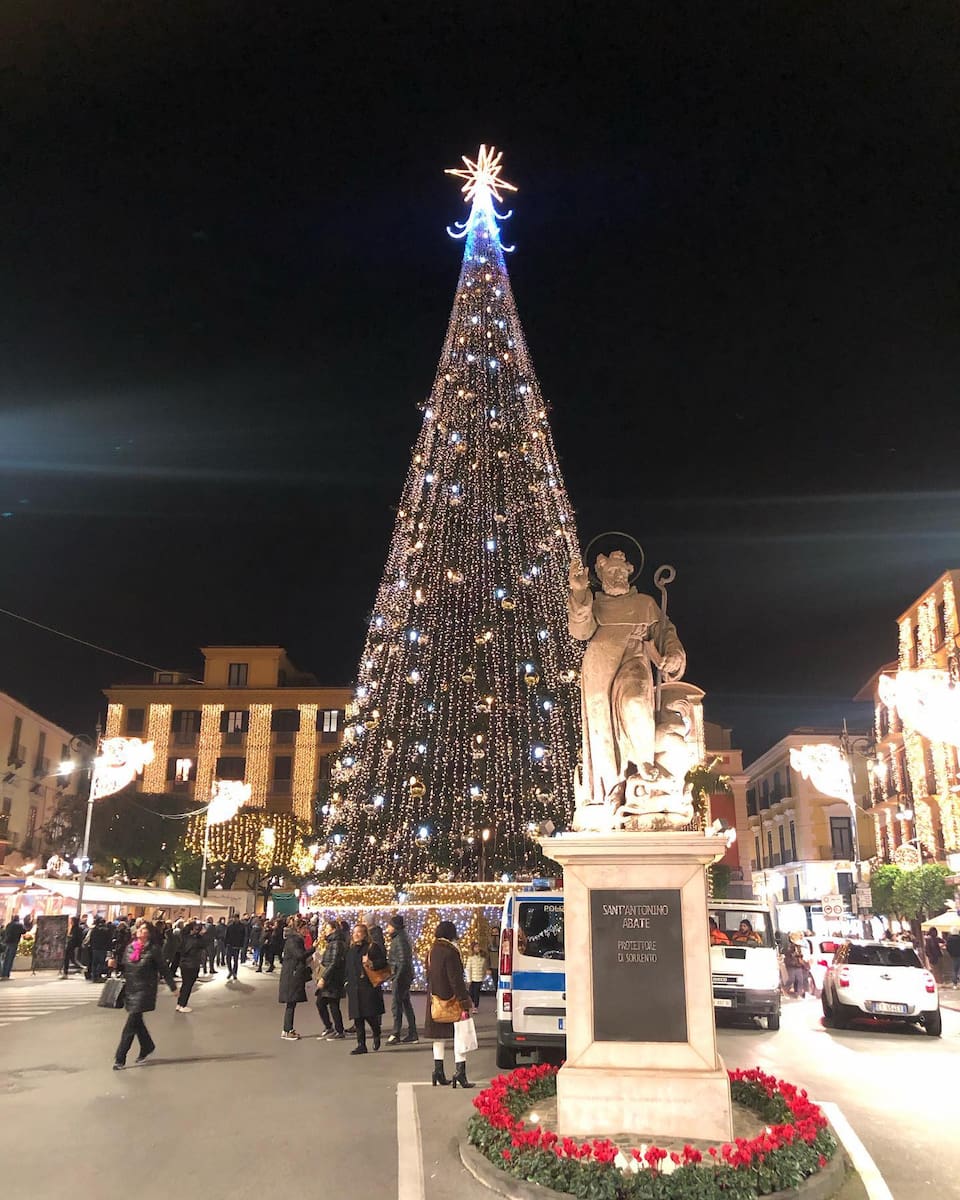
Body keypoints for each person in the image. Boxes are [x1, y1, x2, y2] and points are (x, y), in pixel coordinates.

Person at [568, 549, 685, 806]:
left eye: (622, 571)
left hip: (634, 659)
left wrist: (673, 654)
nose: (618, 575)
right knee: (602, 728)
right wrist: (578, 592)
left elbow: (665, 632)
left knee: (635, 701)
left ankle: (644, 761)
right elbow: (580, 631)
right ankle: (612, 787)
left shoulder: (644, 603)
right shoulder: (594, 604)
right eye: (612, 571)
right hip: (599, 669)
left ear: (629, 573)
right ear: (601, 575)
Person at [109, 919, 177, 1069]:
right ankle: (147, 1046)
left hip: (145, 990)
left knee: (131, 1023)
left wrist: (173, 987)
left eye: (144, 929)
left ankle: (120, 1058)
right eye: (139, 928)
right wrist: (115, 965)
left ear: (149, 933)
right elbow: (124, 968)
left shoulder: (154, 949)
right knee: (137, 1021)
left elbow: (164, 969)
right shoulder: (130, 948)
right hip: (130, 989)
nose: (140, 930)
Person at [424, 920, 473, 1089]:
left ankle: (438, 1071)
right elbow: (456, 980)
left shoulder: (431, 951)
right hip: (452, 1000)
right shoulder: (451, 952)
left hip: (434, 1000)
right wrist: (464, 1001)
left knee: (439, 1036)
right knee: (460, 1034)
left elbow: (428, 976)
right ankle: (460, 1073)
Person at [344, 922, 386, 1054]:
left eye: (359, 932)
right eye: (354, 932)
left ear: (365, 934)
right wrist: (346, 982)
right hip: (354, 987)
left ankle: (376, 1032)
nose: (356, 935)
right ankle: (361, 1045)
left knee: (370, 1015)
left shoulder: (372, 948)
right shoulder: (350, 950)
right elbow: (347, 968)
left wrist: (372, 963)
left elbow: (383, 962)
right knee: (358, 1018)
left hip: (367, 987)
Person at [279, 917, 314, 1041]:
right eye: (304, 928)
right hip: (291, 976)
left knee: (292, 1003)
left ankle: (288, 1029)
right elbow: (300, 955)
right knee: (291, 1003)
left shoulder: (295, 940)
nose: (306, 931)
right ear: (298, 929)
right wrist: (313, 949)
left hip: (292, 974)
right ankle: (287, 1030)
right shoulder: (294, 940)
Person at [385, 913, 418, 1044]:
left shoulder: (399, 940)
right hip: (403, 975)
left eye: (389, 926)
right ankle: (412, 1033)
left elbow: (403, 961)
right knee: (405, 1004)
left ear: (394, 926)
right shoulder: (401, 937)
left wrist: (397, 977)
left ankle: (396, 1033)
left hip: (401, 976)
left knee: (397, 1005)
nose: (387, 928)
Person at [315, 918, 347, 1039]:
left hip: (333, 979)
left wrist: (323, 977)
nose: (325, 931)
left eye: (327, 928)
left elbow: (334, 962)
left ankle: (338, 1030)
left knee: (332, 1003)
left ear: (334, 930)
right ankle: (331, 1027)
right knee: (322, 1002)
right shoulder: (332, 942)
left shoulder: (337, 943)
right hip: (330, 977)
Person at [176, 920, 204, 1013]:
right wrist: (202, 934)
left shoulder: (184, 938)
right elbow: (204, 943)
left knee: (184, 984)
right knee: (188, 985)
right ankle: (183, 1005)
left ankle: (179, 1004)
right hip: (192, 965)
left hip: (183, 964)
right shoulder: (195, 940)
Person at [88, 916, 114, 983]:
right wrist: (110, 949)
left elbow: (91, 939)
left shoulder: (94, 930)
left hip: (95, 949)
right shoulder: (107, 930)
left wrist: (92, 947)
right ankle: (98, 976)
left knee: (94, 963)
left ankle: (94, 976)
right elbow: (109, 941)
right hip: (103, 949)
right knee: (101, 963)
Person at [1, 912, 25, 978]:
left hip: (7, 943)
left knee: (6, 959)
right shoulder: (19, 925)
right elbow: (24, 931)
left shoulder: (9, 924)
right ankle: (7, 974)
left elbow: (5, 932)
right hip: (14, 943)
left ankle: (3, 974)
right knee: (10, 959)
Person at [464, 941, 487, 1009]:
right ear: (473, 948)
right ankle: (473, 1003)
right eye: (476, 947)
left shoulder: (482, 957)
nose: (478, 948)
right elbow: (468, 969)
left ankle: (475, 1006)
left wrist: (484, 976)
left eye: (478, 946)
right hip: (472, 979)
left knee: (476, 993)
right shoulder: (470, 958)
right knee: (471, 993)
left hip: (479, 978)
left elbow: (484, 968)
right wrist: (469, 979)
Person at [783, 933, 806, 998]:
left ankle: (798, 994)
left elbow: (800, 955)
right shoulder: (789, 946)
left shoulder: (799, 946)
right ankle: (785, 990)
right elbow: (787, 954)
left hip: (798, 965)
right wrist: (794, 951)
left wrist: (801, 957)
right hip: (791, 965)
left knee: (799, 979)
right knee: (791, 979)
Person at [224, 915, 245, 980]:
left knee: (235, 960)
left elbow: (243, 936)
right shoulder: (230, 926)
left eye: (236, 918)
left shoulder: (242, 926)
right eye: (234, 918)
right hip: (230, 945)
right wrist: (226, 944)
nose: (235, 919)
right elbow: (226, 935)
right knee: (228, 959)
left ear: (238, 918)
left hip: (237, 946)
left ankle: (234, 973)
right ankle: (230, 971)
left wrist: (242, 945)